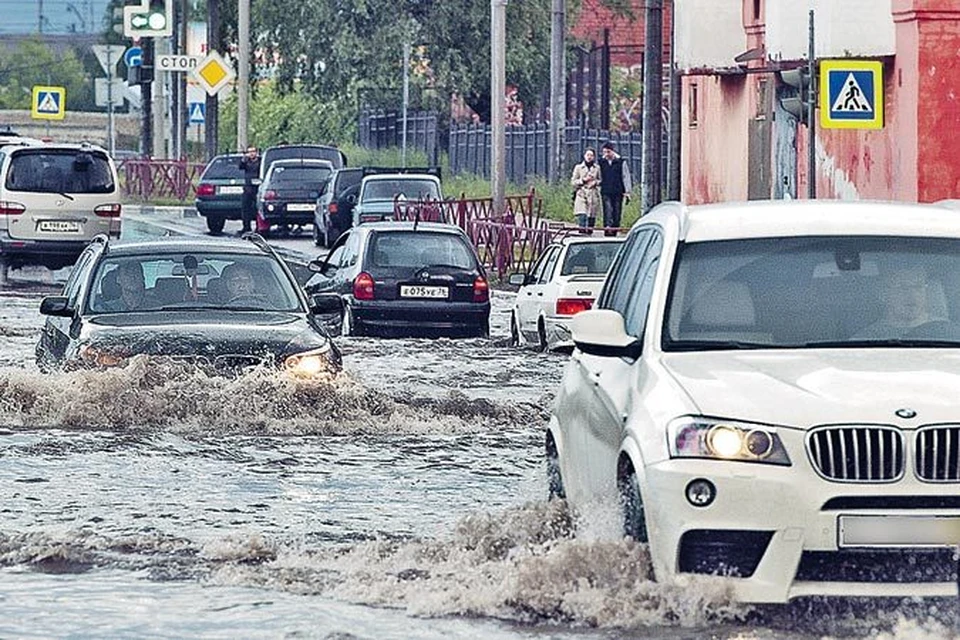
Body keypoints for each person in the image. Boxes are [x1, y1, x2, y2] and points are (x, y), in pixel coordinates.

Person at [852, 264, 939, 339]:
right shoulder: (865, 340)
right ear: (883, 294)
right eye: (902, 288)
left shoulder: (944, 331)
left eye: (918, 287)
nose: (912, 295)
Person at [599, 141, 632, 236]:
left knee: (617, 212)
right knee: (608, 210)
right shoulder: (602, 162)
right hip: (606, 191)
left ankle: (615, 229)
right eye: (604, 152)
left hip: (618, 191)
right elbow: (599, 175)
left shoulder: (620, 162)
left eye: (608, 152)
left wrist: (627, 191)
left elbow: (625, 176)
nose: (606, 154)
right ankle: (607, 229)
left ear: (612, 151)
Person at [571, 148, 601, 231]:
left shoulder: (597, 168)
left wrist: (595, 182)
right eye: (588, 155)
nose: (589, 157)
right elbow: (573, 181)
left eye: (591, 155)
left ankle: (590, 230)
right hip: (581, 193)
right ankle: (582, 229)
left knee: (591, 214)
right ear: (584, 156)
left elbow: (601, 180)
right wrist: (583, 180)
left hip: (592, 193)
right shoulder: (578, 168)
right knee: (582, 213)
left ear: (594, 157)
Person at [238, 145, 261, 234]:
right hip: (248, 188)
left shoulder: (260, 162)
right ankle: (246, 227)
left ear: (256, 152)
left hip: (257, 188)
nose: (251, 154)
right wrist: (243, 159)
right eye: (249, 152)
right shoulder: (246, 162)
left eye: (253, 151)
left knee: (258, 209)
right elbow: (240, 166)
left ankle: (259, 227)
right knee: (245, 209)